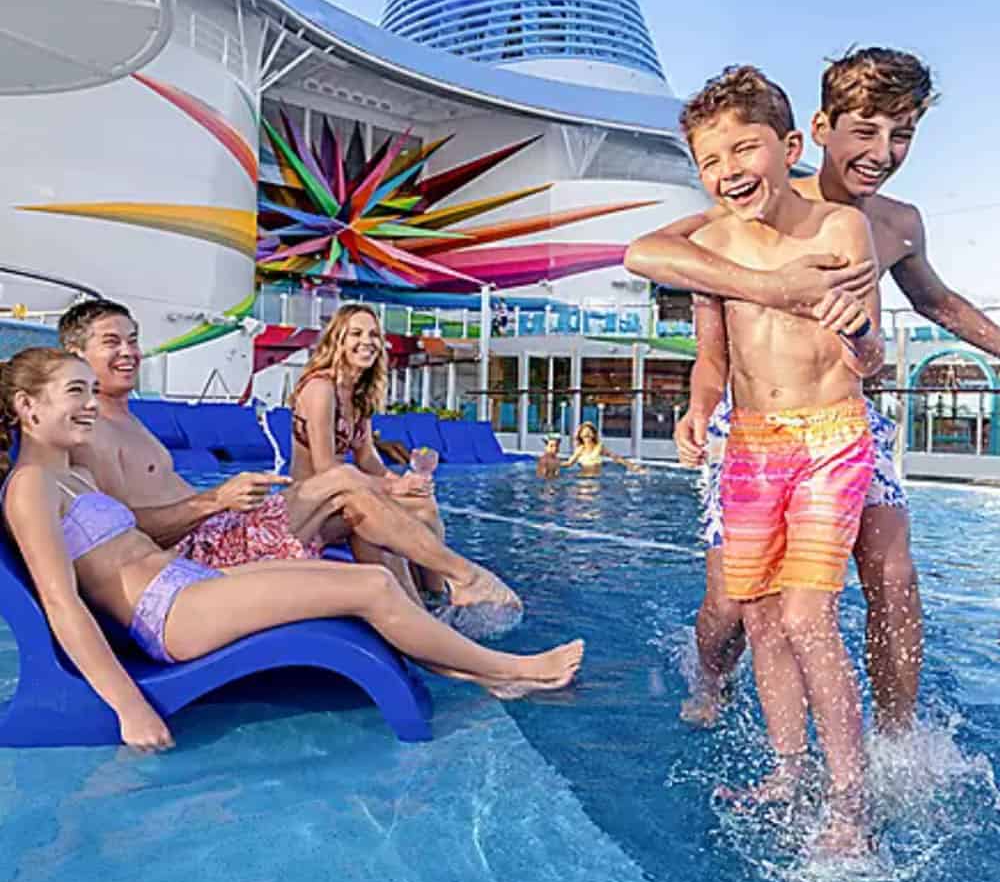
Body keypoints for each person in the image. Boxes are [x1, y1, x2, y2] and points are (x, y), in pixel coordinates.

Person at [628, 46, 1000, 735]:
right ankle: (712, 675)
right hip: (753, 427)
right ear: (820, 130)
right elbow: (691, 302)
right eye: (867, 132)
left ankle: (893, 737)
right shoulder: (756, 200)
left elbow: (940, 305)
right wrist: (703, 403)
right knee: (732, 606)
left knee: (893, 576)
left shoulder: (896, 224)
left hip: (844, 422)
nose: (883, 152)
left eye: (902, 135)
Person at [0, 347, 584, 752]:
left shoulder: (72, 474)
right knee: (371, 587)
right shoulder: (31, 488)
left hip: (186, 585)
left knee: (359, 573)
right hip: (170, 614)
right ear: (29, 408)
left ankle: (482, 673)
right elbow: (61, 603)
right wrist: (130, 706)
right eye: (75, 392)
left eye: (89, 391)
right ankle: (511, 671)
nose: (88, 404)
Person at [667, 67, 883, 854]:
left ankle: (850, 802)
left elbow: (874, 358)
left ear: (790, 147)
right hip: (751, 446)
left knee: (806, 617)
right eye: (709, 160)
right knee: (759, 617)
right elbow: (713, 361)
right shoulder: (708, 247)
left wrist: (857, 330)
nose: (727, 171)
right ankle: (788, 772)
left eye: (744, 148)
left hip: (830, 437)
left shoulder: (838, 230)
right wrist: (697, 408)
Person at [60, 300, 521, 633]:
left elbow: (368, 460)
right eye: (112, 342)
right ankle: (464, 579)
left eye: (134, 340)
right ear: (77, 356)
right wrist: (214, 500)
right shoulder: (94, 429)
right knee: (343, 485)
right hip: (197, 557)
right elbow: (127, 534)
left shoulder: (126, 416)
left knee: (387, 509)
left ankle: (425, 612)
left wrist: (405, 482)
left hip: (220, 529)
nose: (129, 351)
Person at [290, 304, 522, 631]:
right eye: (356, 334)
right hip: (312, 505)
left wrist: (404, 481)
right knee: (378, 517)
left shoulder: (357, 395)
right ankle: (425, 608)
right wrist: (391, 489)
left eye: (373, 334)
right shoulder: (320, 389)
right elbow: (329, 469)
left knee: (424, 507)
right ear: (337, 340)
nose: (366, 341)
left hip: (340, 497)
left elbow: (368, 458)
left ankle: (437, 596)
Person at [564, 421, 639, 473]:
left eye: (589, 433)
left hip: (596, 478)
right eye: (585, 434)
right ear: (580, 436)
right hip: (583, 476)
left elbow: (615, 457)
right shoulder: (580, 449)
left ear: (593, 435)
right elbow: (569, 463)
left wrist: (631, 466)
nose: (587, 436)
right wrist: (554, 463)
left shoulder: (599, 447)